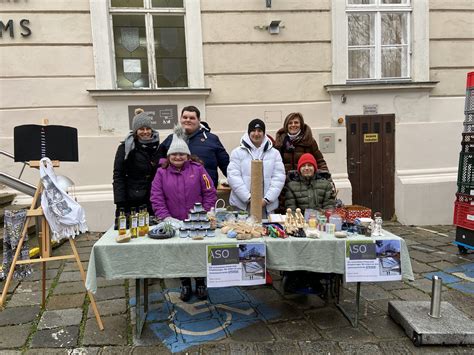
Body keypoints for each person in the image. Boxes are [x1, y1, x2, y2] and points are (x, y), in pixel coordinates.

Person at [150, 125, 217, 301]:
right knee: (180, 254)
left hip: (197, 222)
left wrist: (204, 212)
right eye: (174, 154)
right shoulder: (161, 173)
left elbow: (209, 191)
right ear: (169, 156)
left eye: (181, 154)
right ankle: (185, 283)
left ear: (187, 155)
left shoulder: (198, 169)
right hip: (174, 222)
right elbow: (156, 197)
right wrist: (166, 218)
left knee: (198, 252)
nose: (178, 157)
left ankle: (201, 282)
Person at [282, 153, 336, 295]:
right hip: (300, 226)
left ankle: (315, 279)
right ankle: (297, 278)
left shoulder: (325, 184)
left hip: (321, 225)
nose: (307, 168)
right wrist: (301, 224)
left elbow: (330, 208)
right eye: (304, 166)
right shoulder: (292, 186)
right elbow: (291, 210)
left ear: (315, 168)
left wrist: (319, 218)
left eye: (310, 166)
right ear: (299, 169)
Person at [158, 105, 229, 188]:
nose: (188, 120)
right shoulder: (171, 139)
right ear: (180, 119)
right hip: (176, 191)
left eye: (192, 118)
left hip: (206, 191)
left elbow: (226, 166)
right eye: (185, 117)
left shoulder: (212, 139)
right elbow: (159, 163)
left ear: (199, 120)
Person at [227, 119, 285, 218]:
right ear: (248, 132)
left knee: (264, 232)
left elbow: (279, 178)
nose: (256, 134)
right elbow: (233, 177)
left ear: (264, 133)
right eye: (253, 130)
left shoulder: (274, 153)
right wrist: (249, 199)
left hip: (266, 206)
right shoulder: (237, 153)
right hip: (243, 206)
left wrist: (267, 199)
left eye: (260, 131)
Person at [113, 108, 160, 221]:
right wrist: (120, 204)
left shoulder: (157, 147)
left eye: (148, 128)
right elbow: (118, 176)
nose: (145, 132)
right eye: (141, 129)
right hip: (133, 200)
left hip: (153, 199)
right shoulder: (125, 148)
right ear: (135, 131)